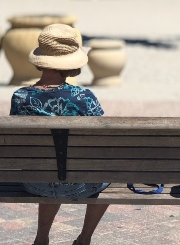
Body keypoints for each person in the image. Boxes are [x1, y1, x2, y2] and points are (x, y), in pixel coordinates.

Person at [10, 24, 109, 245]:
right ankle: (84, 238)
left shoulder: (20, 97)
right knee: (108, 172)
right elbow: (102, 142)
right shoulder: (84, 97)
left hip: (34, 182)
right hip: (81, 183)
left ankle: (42, 237)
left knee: (50, 165)